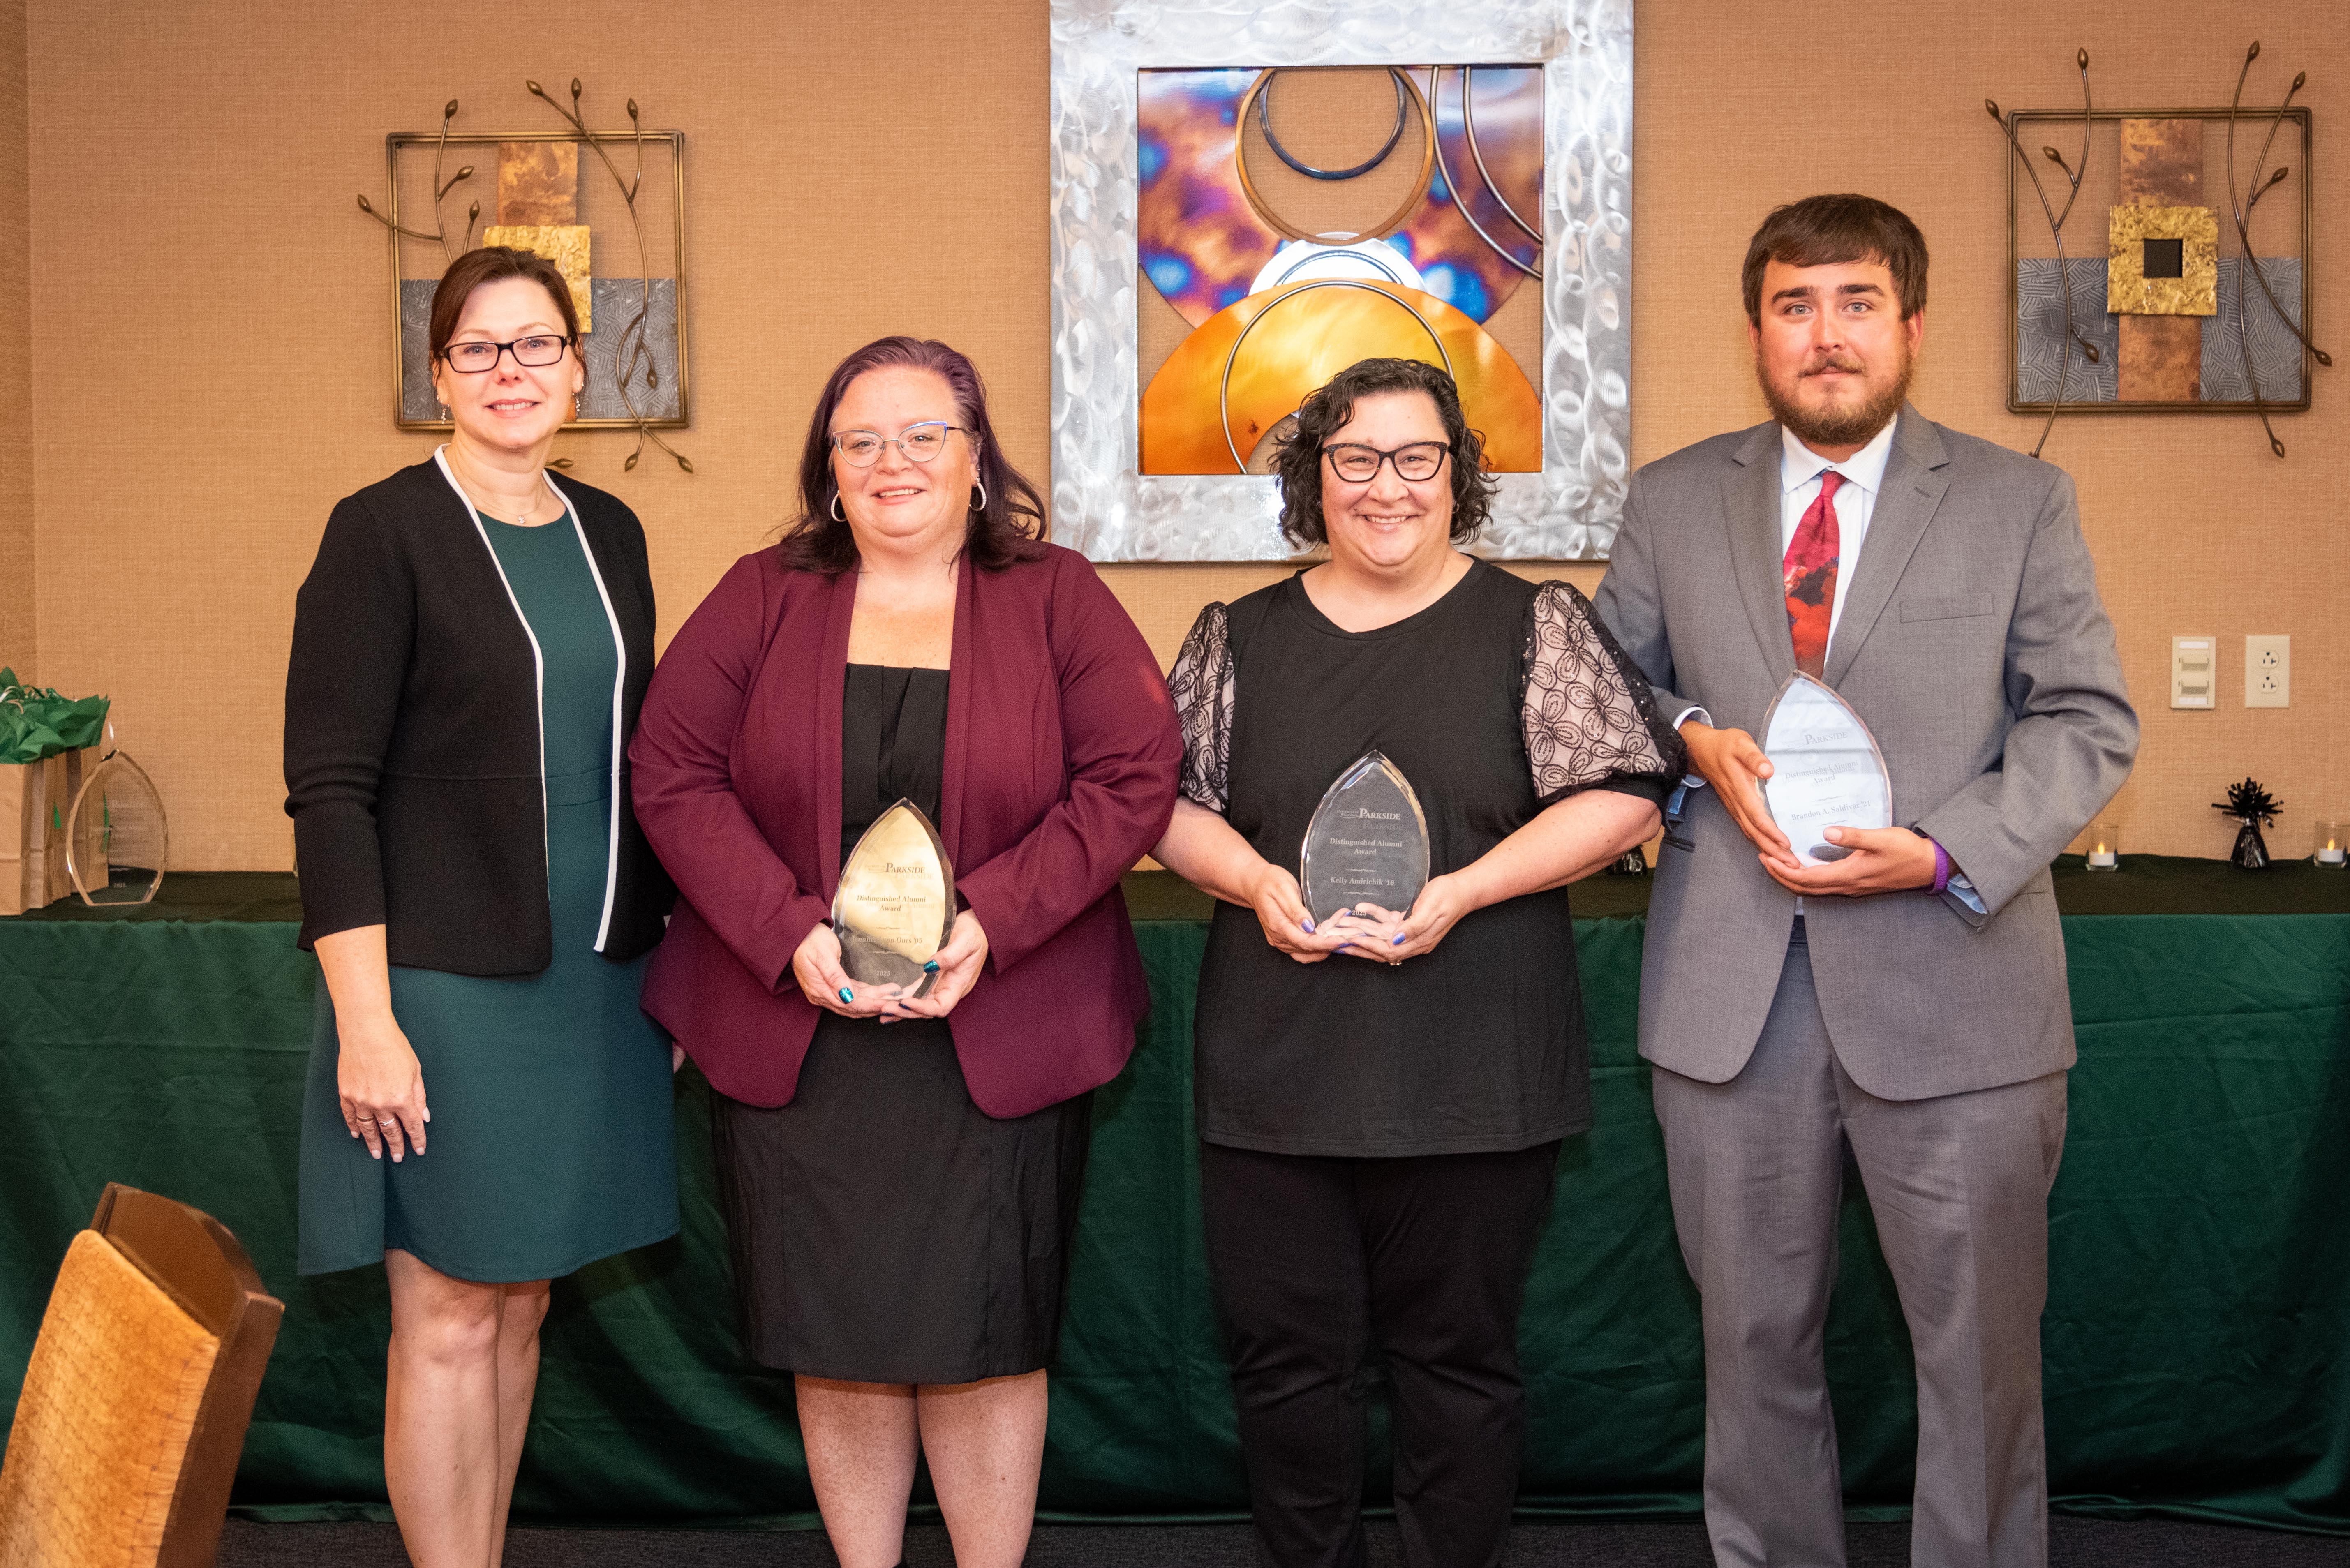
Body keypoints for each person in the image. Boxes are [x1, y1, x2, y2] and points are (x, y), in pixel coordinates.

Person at [1593, 194, 2139, 1568]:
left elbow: (2085, 722)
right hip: (1732, 999)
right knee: (1752, 1348)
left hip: (1958, 988)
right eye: (1794, 305)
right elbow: (1607, 691)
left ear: (1911, 325)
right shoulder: (1672, 498)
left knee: (1978, 1361)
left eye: (1855, 304)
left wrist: (1947, 850)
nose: (1825, 335)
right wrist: (1689, 735)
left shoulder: (2019, 500)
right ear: (1757, 331)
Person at [628, 336, 1181, 1568]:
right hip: (801, 1037)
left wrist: (994, 920)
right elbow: (671, 770)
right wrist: (784, 929)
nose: (895, 462)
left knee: (990, 1336)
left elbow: (1136, 773)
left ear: (976, 457)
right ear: (829, 468)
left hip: (1000, 1036)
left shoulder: (1058, 595)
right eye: (862, 440)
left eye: (926, 434)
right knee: (837, 1342)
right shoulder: (763, 594)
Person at [1151, 357, 1682, 1568]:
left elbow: (1624, 794)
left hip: (1474, 1066)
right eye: (1354, 458)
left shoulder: (1534, 623)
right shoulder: (1240, 637)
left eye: (1415, 458)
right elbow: (1165, 805)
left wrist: (1471, 887)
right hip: (1279, 1070)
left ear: (1457, 475)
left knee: (1459, 1367)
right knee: (1288, 1371)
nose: (1385, 486)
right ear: (1315, 476)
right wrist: (1256, 884)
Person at [285, 244, 679, 1566]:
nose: (513, 371)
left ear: (579, 367)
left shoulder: (611, 531)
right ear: (439, 375)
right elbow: (330, 792)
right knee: (450, 1314)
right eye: (480, 348)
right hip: (441, 991)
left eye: (537, 345)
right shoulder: (380, 532)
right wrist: (367, 1025)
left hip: (597, 982)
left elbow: (645, 767)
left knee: (522, 1309)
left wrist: (669, 963)